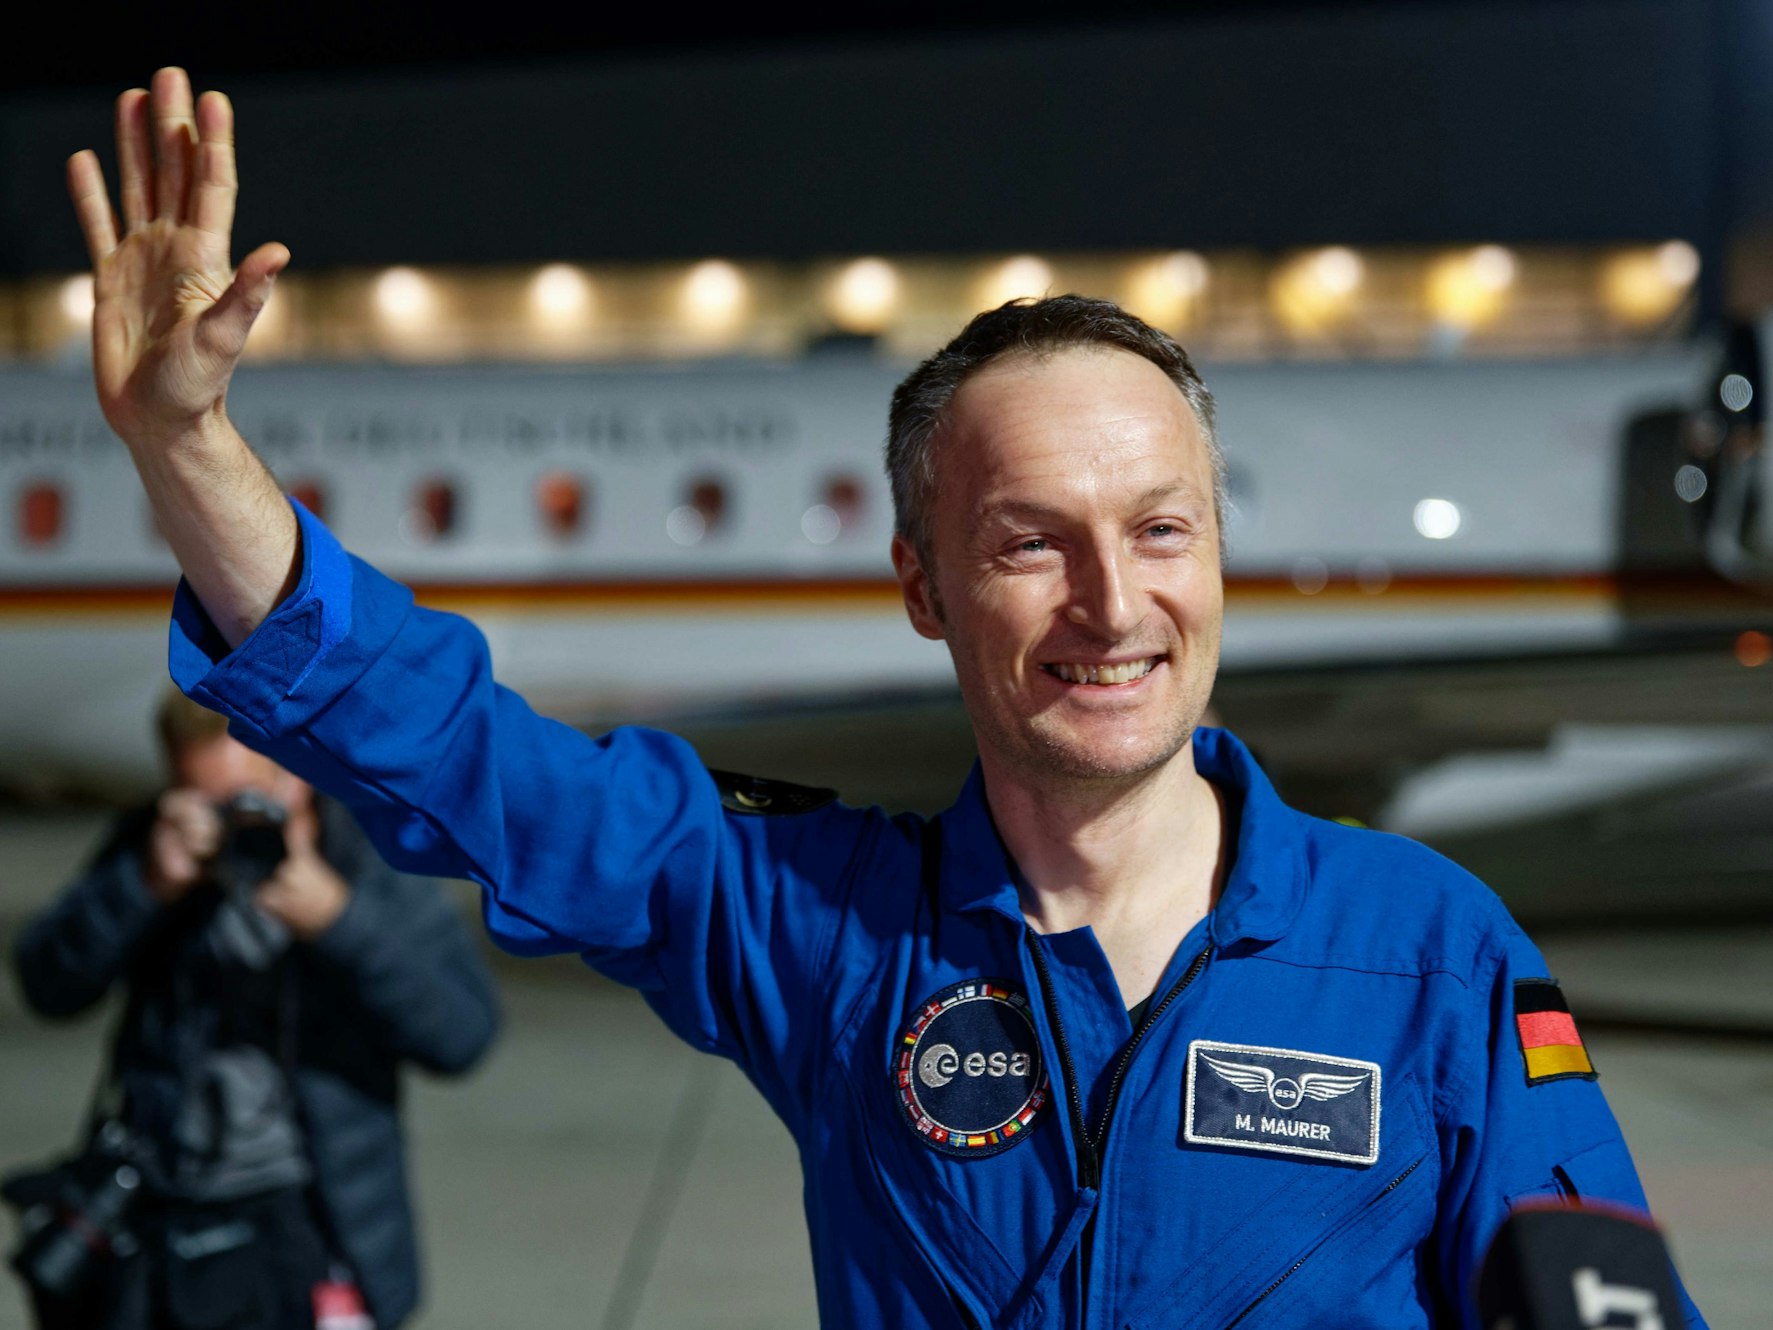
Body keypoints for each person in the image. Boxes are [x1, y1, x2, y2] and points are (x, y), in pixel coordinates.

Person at [61, 68, 1704, 1329]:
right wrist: (187, 450)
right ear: (922, 584)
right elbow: (456, 750)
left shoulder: (1431, 951)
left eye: (1158, 531)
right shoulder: (819, 931)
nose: (1111, 605)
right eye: (1026, 545)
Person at [11, 689, 501, 1330]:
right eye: (206, 803)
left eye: (247, 802)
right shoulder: (158, 852)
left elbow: (462, 1033)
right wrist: (144, 884)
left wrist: (336, 920)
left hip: (309, 1219)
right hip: (162, 1212)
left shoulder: (361, 855)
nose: (233, 826)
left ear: (296, 778)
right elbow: (48, 984)